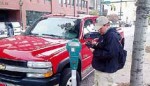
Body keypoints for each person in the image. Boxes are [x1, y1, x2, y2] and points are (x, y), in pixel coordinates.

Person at [86, 16, 122, 86]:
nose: (99, 30)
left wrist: (94, 51)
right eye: (98, 29)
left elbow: (110, 54)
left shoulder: (112, 36)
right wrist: (95, 44)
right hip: (102, 68)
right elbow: (105, 46)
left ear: (106, 25)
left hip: (106, 71)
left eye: (100, 28)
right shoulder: (105, 34)